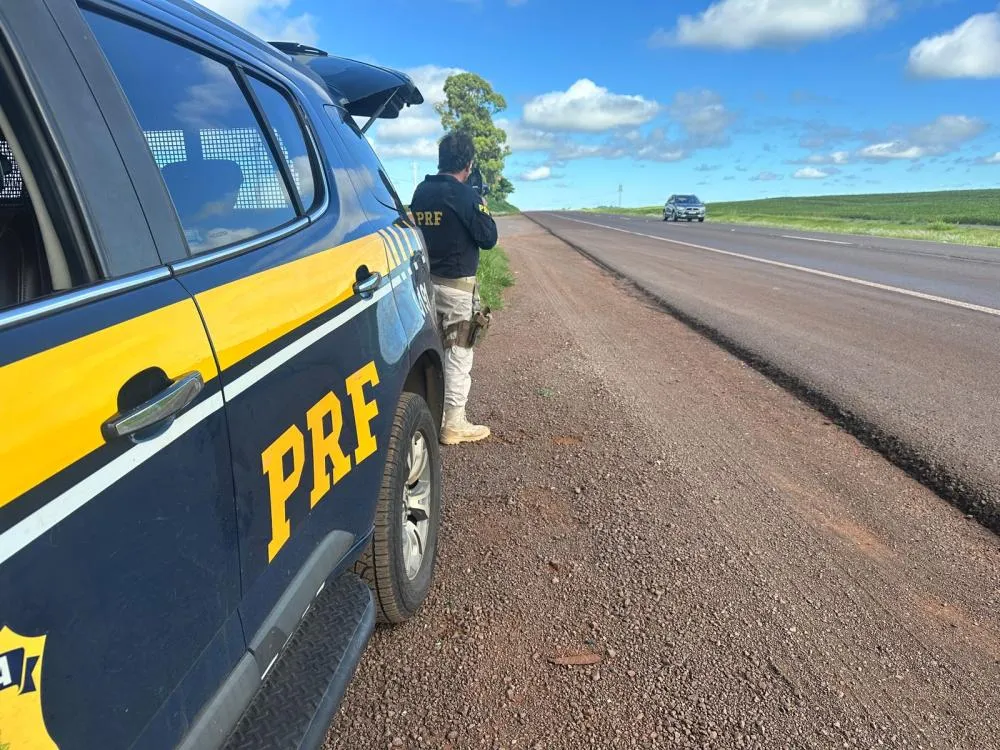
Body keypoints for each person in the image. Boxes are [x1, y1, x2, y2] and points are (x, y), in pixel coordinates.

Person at [410, 131, 499, 445]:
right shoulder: (466, 196)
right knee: (459, 352)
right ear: (469, 163)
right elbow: (488, 238)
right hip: (457, 289)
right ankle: (454, 424)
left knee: (431, 351)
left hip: (423, 284)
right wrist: (481, 203)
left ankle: (431, 413)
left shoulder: (421, 191)